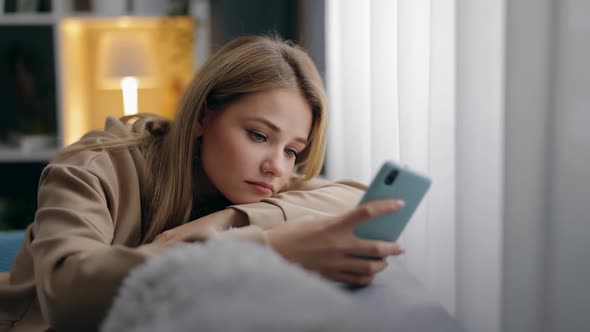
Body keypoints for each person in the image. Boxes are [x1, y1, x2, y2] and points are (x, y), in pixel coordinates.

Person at [0, 35, 405, 332]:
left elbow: (355, 198)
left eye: (292, 150)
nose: (276, 168)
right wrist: (264, 250)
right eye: (259, 136)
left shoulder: (253, 183)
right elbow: (68, 299)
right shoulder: (92, 168)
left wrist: (230, 222)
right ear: (202, 116)